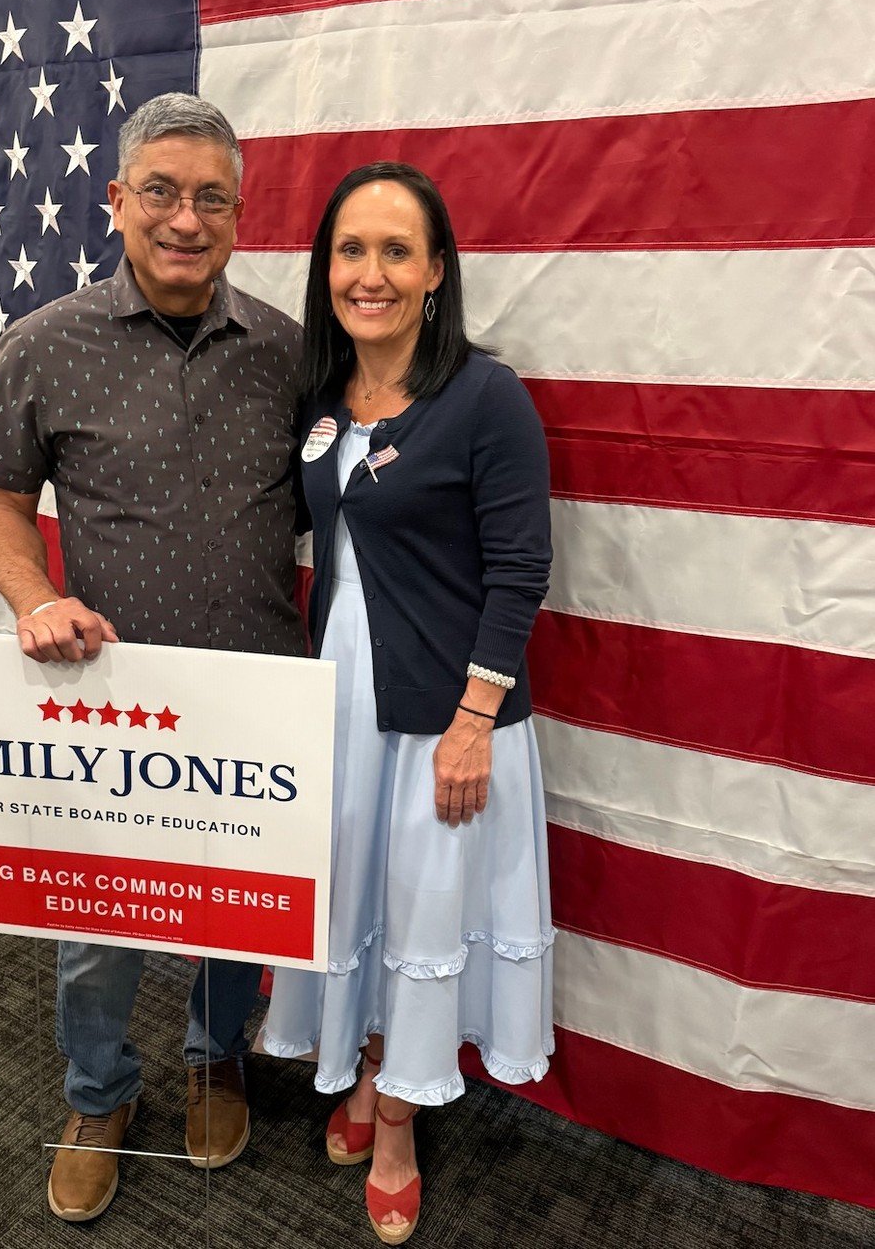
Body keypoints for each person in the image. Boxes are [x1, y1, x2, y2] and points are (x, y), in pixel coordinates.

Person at [0, 93, 306, 1221]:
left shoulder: (288, 355)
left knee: (230, 905)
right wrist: (34, 596)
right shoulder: (44, 343)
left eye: (211, 196)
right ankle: (96, 1088)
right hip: (107, 711)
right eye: (160, 189)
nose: (184, 217)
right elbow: (1, 503)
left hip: (254, 691)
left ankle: (214, 1056)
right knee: (99, 916)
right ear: (116, 201)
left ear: (239, 217)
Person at [263, 162, 554, 1244]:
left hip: (444, 712)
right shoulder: (319, 398)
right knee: (353, 896)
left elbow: (521, 567)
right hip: (338, 697)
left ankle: (394, 1119)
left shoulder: (484, 396)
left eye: (394, 251)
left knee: (426, 909)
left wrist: (473, 719)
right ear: (323, 268)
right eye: (349, 250)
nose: (368, 272)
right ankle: (365, 1055)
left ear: (436, 271)